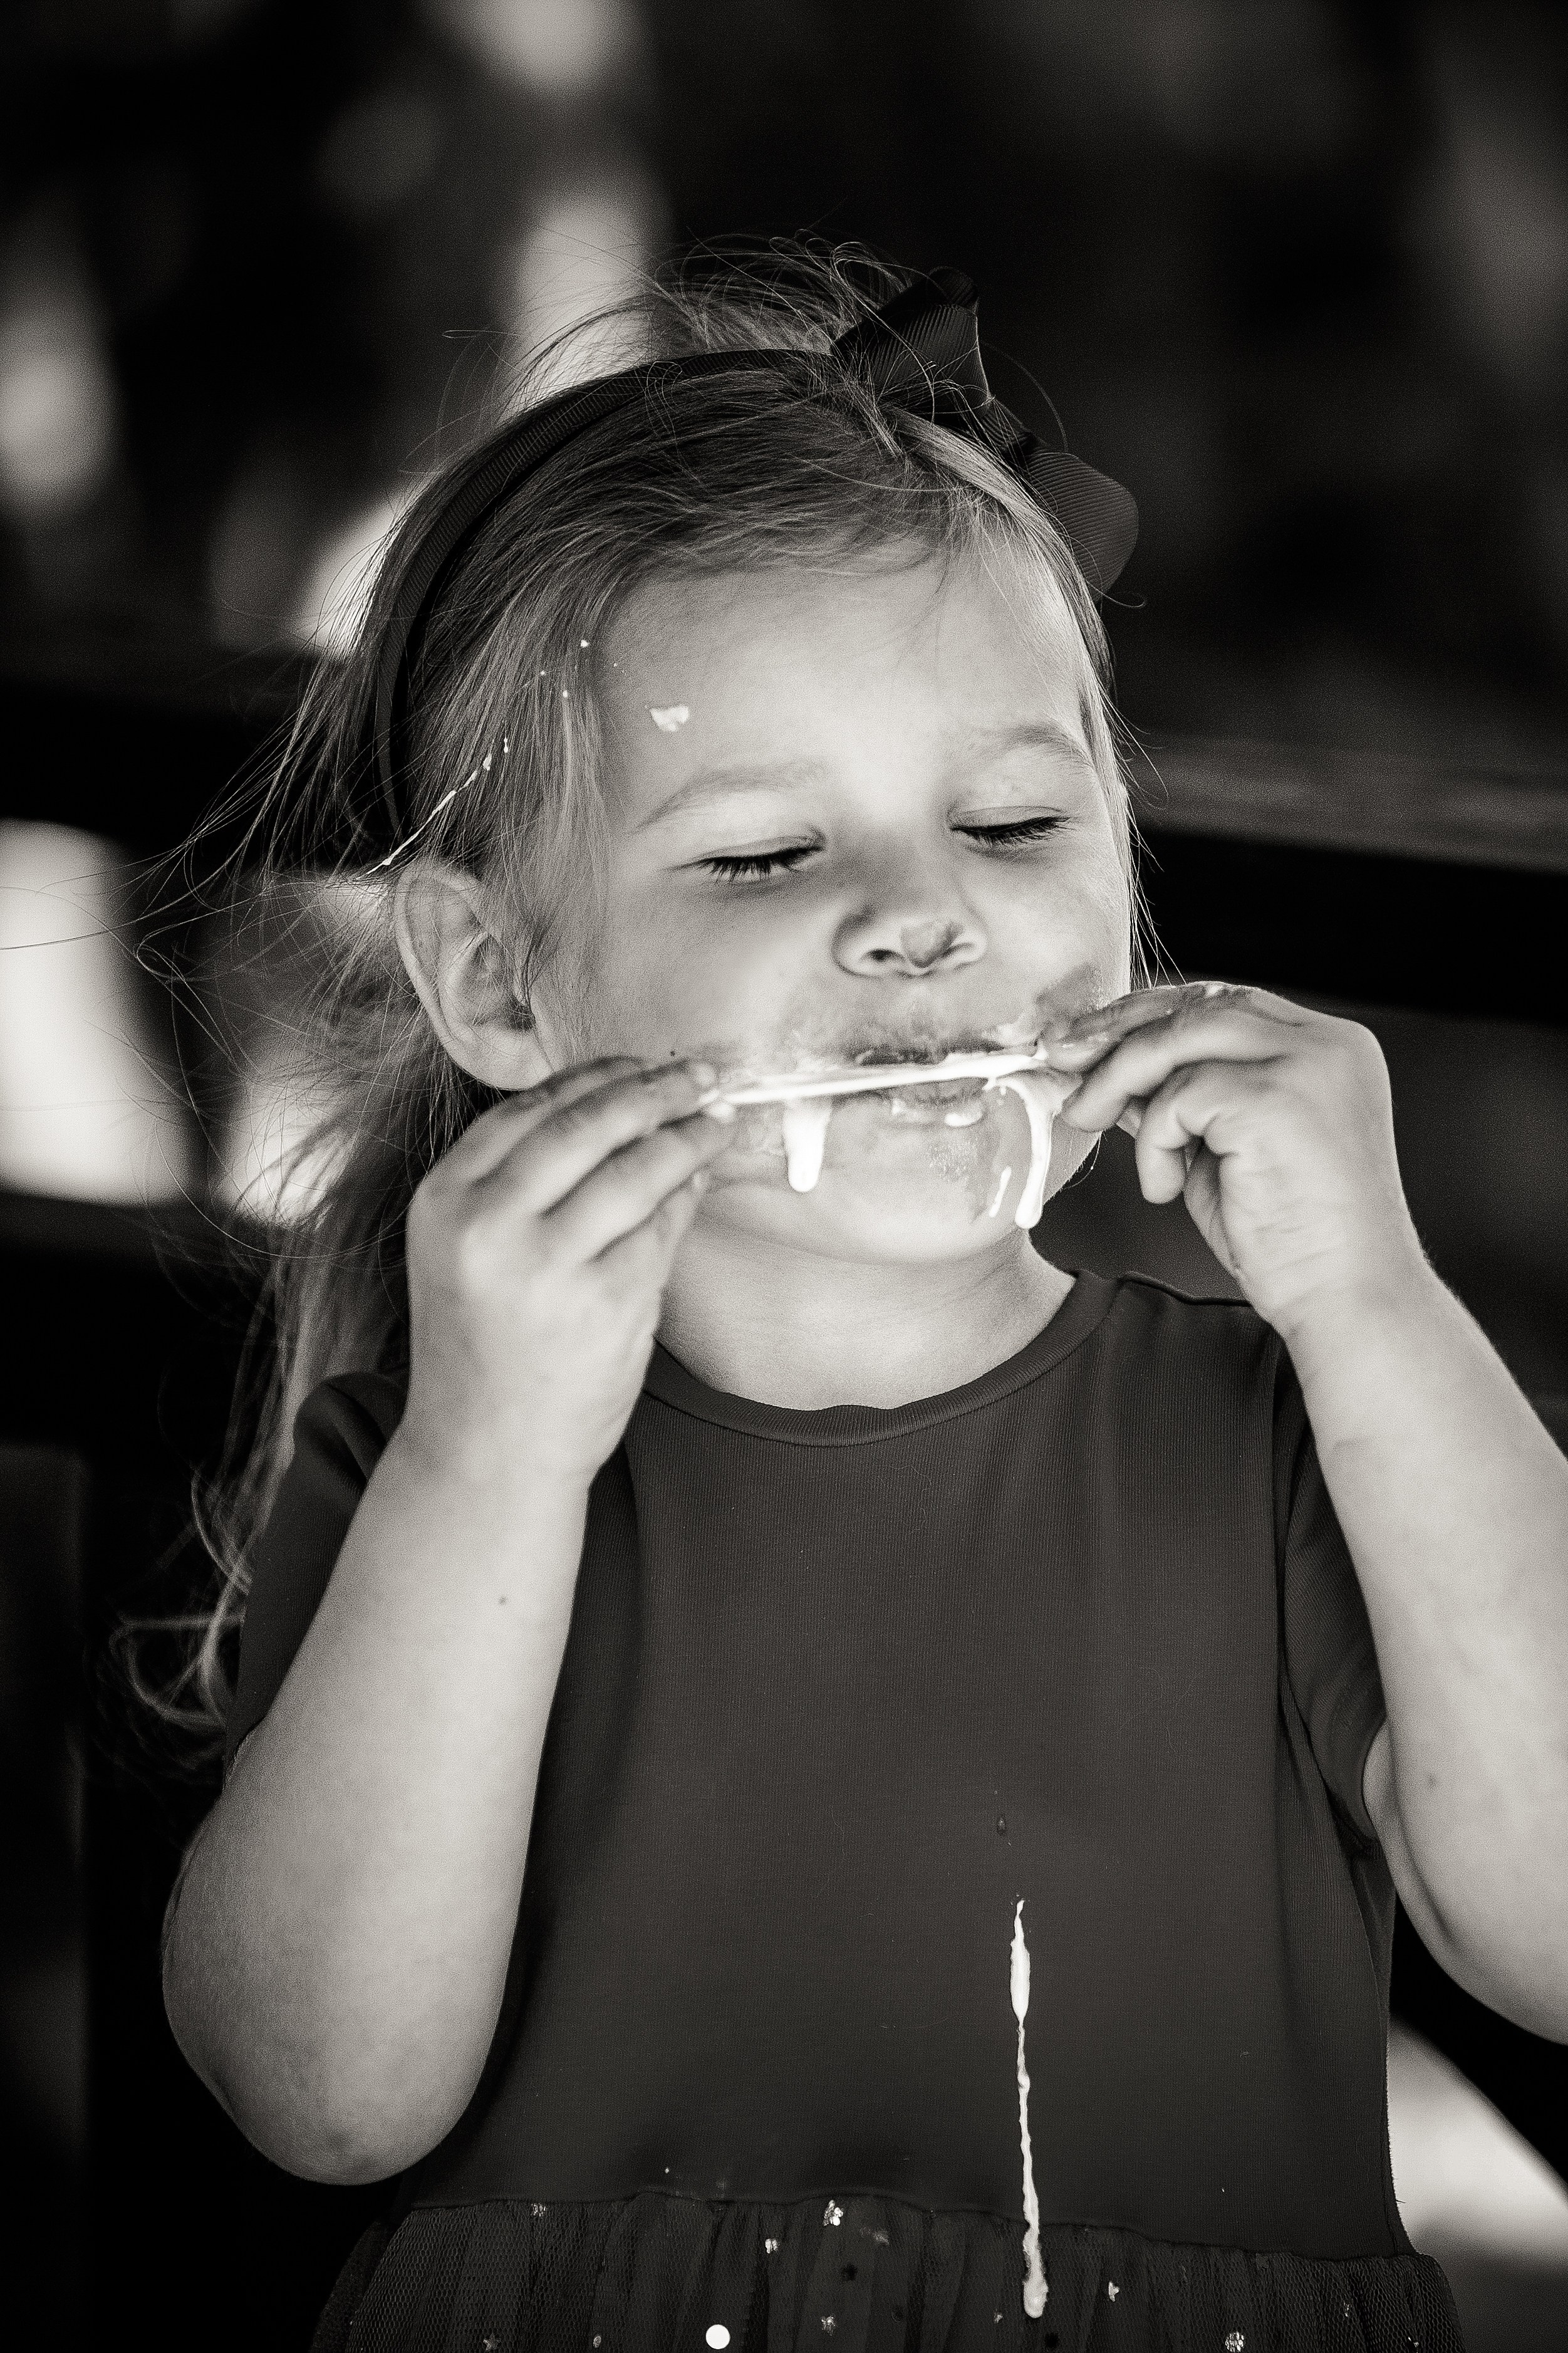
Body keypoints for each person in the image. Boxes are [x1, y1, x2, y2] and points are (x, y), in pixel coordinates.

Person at [158, 239, 1568, 2353]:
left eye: (1012, 819)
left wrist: (1382, 1305)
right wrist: (488, 1458)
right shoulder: (431, 1469)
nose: (922, 917)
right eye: (759, 854)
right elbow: (326, 2094)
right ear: (497, 978)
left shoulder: (1285, 1440)